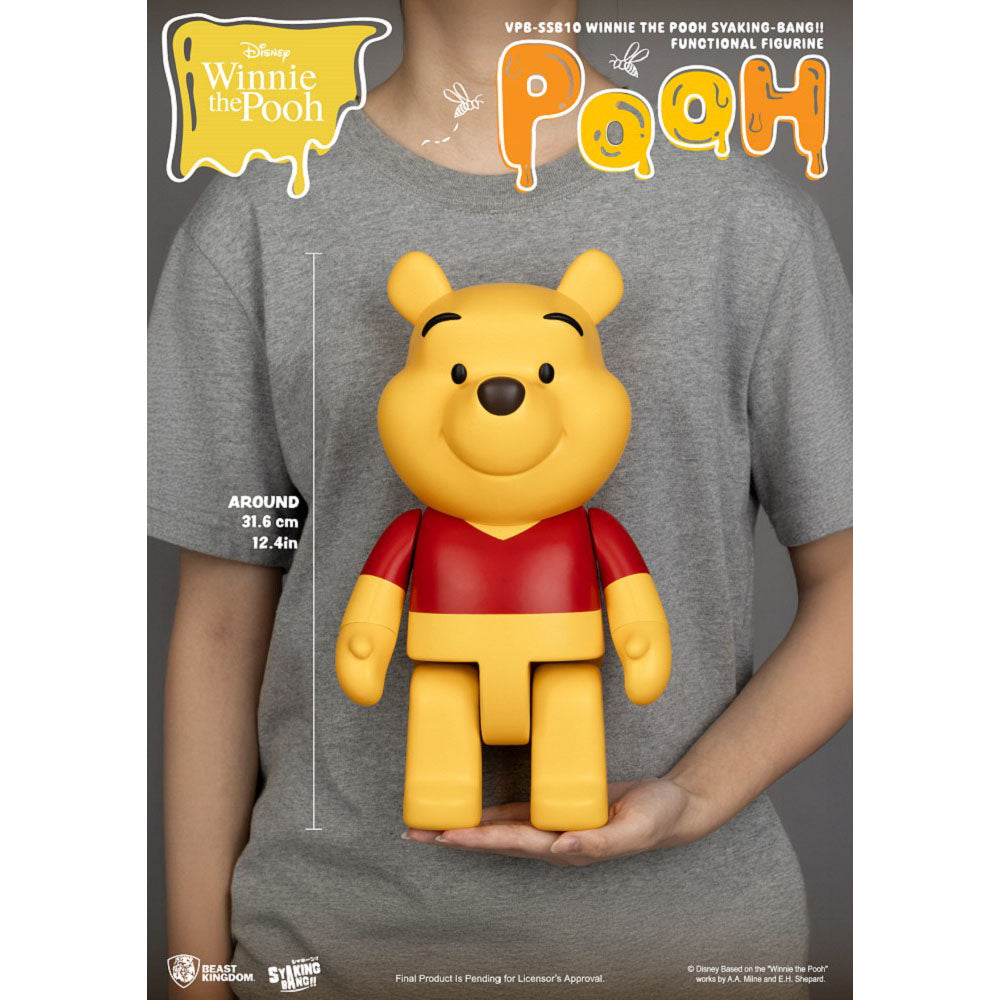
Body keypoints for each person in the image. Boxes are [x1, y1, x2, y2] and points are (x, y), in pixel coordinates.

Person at [149, 3, 852, 997]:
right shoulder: (260, 219)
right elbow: (223, 622)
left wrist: (692, 795)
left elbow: (866, 582)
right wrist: (193, 977)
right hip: (334, 947)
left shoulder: (745, 219)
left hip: (687, 951)